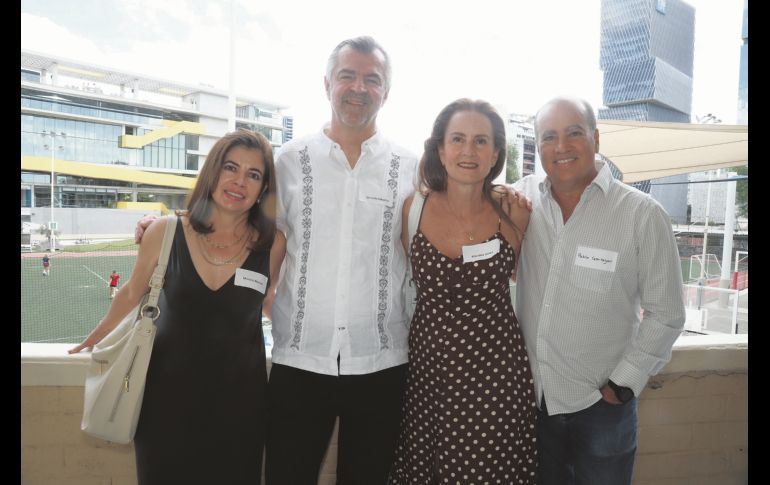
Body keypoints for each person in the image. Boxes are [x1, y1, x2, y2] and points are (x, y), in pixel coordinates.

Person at [69, 129, 277, 484]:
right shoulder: (164, 231)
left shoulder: (273, 244)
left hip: (240, 408)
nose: (239, 181)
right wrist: (96, 336)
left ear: (263, 188)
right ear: (213, 171)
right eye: (231, 168)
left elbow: (274, 306)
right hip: (164, 405)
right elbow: (132, 293)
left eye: (253, 174)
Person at [263, 36, 418, 485]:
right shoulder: (288, 162)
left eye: (373, 79)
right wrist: (172, 225)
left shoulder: (412, 167)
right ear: (327, 83)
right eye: (348, 75)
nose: (359, 88)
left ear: (386, 92)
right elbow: (246, 229)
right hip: (299, 360)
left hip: (382, 363)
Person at [512, 96, 686, 485]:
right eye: (548, 137)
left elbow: (668, 312)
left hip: (601, 406)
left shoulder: (642, 214)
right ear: (537, 146)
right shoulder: (520, 199)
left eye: (574, 133)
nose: (561, 147)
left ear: (596, 137)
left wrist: (624, 382)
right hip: (532, 403)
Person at [388, 98, 538, 484]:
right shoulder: (413, 210)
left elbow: (525, 283)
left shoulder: (515, 212)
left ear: (496, 155)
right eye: (457, 139)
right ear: (440, 149)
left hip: (495, 377)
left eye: (480, 141)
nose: (468, 151)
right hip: (428, 376)